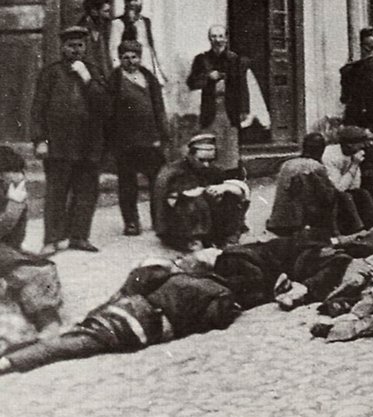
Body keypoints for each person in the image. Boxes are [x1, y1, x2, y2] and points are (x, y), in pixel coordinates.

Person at [0, 256, 238, 375]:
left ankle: (13, 352)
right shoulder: (218, 291)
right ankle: (8, 361)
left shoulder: (172, 275)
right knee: (69, 346)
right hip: (138, 327)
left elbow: (137, 281)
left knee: (70, 337)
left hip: (124, 308)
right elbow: (215, 319)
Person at [32, 25, 109, 254]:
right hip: (59, 143)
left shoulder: (94, 71)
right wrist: (40, 140)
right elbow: (38, 109)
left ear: (86, 47)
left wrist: (87, 79)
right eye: (71, 45)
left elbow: (105, 106)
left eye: (80, 45)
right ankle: (52, 239)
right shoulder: (51, 73)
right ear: (62, 47)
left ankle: (79, 236)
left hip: (88, 143)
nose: (76, 50)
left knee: (86, 191)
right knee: (57, 191)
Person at [106, 39, 170, 236]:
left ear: (140, 58)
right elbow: (108, 112)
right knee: (127, 183)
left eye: (134, 57)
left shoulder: (148, 77)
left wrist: (163, 134)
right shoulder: (115, 79)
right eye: (125, 57)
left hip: (150, 138)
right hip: (125, 141)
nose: (130, 61)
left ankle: (159, 220)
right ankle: (131, 222)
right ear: (120, 59)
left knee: (158, 182)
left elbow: (159, 106)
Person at [0, 147, 61, 348]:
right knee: (31, 273)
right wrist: (13, 207)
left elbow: (16, 239)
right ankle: (47, 324)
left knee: (42, 270)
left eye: (19, 178)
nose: (15, 183)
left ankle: (48, 323)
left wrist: (16, 206)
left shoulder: (14, 194)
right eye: (7, 180)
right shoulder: (12, 199)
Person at [154, 134, 250, 252]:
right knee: (193, 201)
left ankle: (229, 237)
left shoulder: (213, 170)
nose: (206, 165)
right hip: (178, 224)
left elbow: (237, 189)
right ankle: (195, 240)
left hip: (204, 218)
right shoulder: (174, 172)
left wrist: (224, 188)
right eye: (202, 160)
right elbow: (174, 199)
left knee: (231, 195)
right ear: (190, 155)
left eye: (210, 160)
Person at [186, 25, 251, 176]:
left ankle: (229, 179)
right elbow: (191, 83)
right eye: (214, 37)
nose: (218, 40)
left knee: (229, 149)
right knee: (209, 148)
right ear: (209, 39)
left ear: (226, 39)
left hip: (230, 111)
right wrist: (207, 77)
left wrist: (244, 109)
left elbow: (243, 86)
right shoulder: (202, 59)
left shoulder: (235, 60)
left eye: (221, 36)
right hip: (210, 110)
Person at [266, 132, 338, 241]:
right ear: (321, 150)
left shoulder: (287, 163)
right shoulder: (316, 166)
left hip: (278, 221)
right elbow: (328, 196)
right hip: (298, 223)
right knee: (335, 196)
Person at [109, 0, 165, 85]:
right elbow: (114, 49)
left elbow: (150, 46)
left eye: (136, 0)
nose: (132, 4)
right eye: (129, 1)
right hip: (130, 65)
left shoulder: (145, 22)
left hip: (147, 64)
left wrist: (158, 71)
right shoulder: (118, 23)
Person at [76, 0, 114, 81]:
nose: (109, 16)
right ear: (94, 12)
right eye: (106, 11)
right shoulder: (80, 31)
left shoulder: (104, 29)